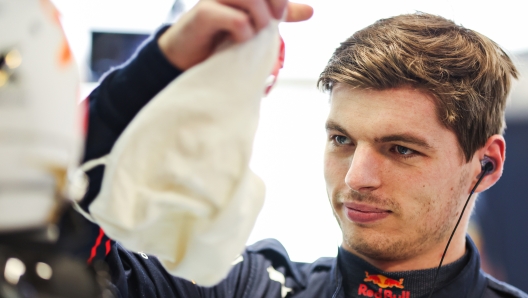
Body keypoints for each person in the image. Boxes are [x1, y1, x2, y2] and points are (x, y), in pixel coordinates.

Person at [76, 0, 527, 297]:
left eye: (401, 149)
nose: (356, 178)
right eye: (341, 140)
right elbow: (37, 227)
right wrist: (156, 70)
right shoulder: (239, 287)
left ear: (485, 166)